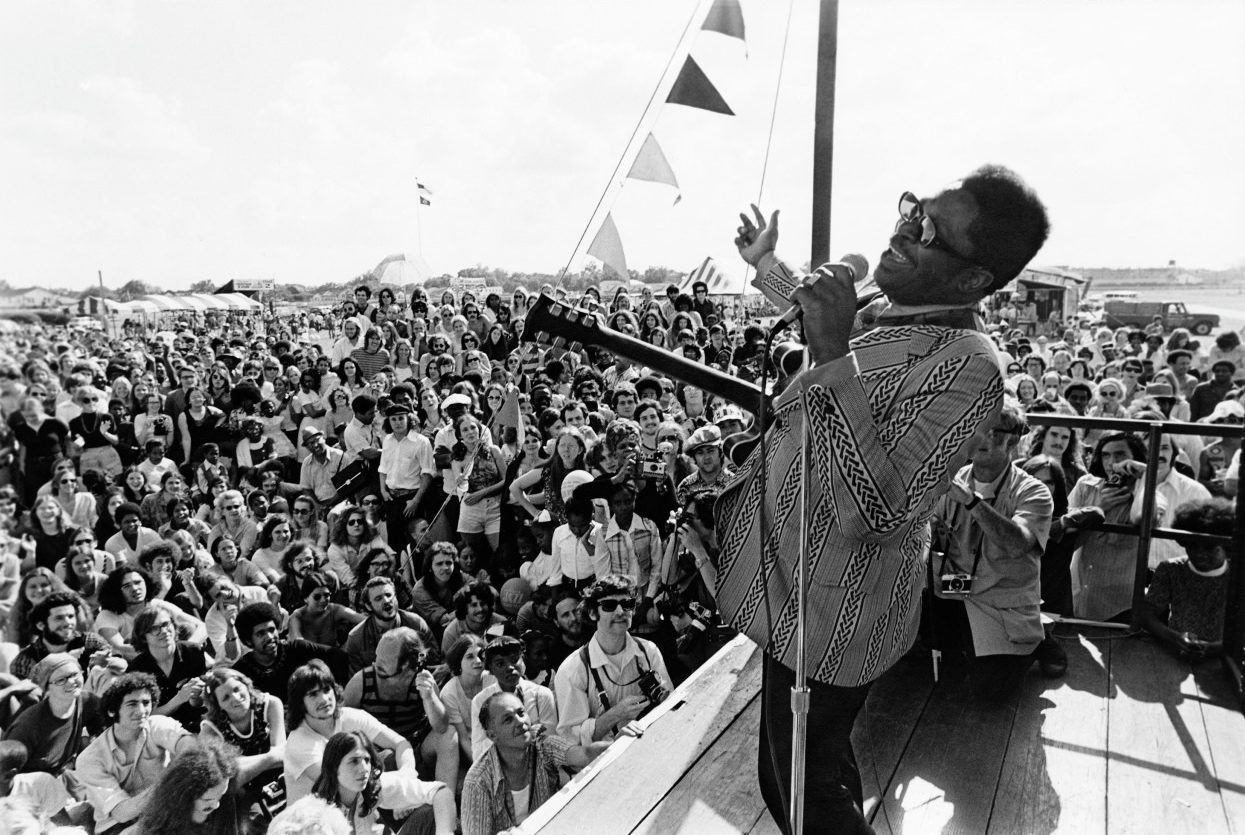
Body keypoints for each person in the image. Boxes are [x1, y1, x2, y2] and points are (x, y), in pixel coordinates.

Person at [721, 166, 1048, 831]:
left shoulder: (969, 364)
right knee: (812, 769)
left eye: (928, 230)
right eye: (911, 209)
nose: (903, 228)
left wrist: (834, 350)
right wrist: (767, 267)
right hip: (796, 585)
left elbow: (876, 511)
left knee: (802, 799)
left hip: (836, 608)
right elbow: (822, 311)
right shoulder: (895, 298)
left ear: (970, 280)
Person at [926, 402, 1060, 701]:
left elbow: (1017, 545)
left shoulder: (1033, 491)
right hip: (954, 592)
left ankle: (1039, 638)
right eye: (973, 428)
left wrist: (973, 502)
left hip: (1000, 603)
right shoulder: (949, 477)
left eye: (990, 431)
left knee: (991, 695)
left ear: (1013, 439)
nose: (979, 437)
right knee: (921, 676)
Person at [460, 691, 608, 835]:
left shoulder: (544, 746)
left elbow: (585, 754)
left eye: (521, 713)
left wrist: (621, 741)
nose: (519, 722)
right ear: (492, 735)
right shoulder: (478, 781)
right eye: (508, 720)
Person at [553, 574, 671, 745]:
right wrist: (617, 714)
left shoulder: (648, 651)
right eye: (609, 605)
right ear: (593, 613)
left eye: (627, 604)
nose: (620, 612)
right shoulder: (573, 670)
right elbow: (572, 740)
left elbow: (669, 703)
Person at [74, 672, 198, 834]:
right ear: (112, 711)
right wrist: (171, 783)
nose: (141, 711)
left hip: (165, 810)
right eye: (132, 704)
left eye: (146, 703)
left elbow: (190, 747)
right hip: (117, 827)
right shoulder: (90, 759)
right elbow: (123, 812)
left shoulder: (156, 724)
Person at [342, 627, 459, 792]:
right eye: (377, 656)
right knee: (388, 755)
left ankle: (445, 798)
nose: (376, 664)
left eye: (384, 660)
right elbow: (342, 725)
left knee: (449, 735)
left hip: (416, 746)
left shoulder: (422, 681)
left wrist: (429, 697)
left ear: (405, 664)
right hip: (378, 754)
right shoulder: (362, 682)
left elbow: (441, 727)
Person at [283, 660, 417, 804]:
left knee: (388, 759)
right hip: (315, 821)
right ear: (300, 703)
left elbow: (401, 743)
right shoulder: (299, 741)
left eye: (327, 689)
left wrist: (406, 775)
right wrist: (400, 789)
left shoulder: (350, 717)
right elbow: (341, 785)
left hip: (355, 808)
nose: (324, 699)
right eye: (313, 694)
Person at [1137, 498, 1233, 659]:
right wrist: (1175, 638)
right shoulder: (1170, 570)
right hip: (1175, 655)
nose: (1200, 553)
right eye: (1192, 545)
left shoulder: (1238, 577)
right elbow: (1147, 614)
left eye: (1209, 547)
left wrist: (1213, 648)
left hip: (1224, 659)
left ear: (1226, 547)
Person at [310, 731, 456, 835]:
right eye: (354, 761)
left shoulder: (373, 786)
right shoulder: (315, 812)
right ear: (334, 767)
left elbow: (441, 791)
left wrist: (445, 832)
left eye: (366, 760)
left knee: (430, 814)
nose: (363, 769)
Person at [3, 653, 108, 778]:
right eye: (60, 680)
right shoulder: (28, 726)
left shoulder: (87, 701)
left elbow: (105, 729)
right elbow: (6, 775)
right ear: (47, 688)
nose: (71, 682)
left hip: (64, 777)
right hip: (29, 786)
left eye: (74, 674)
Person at [468, 636, 557, 762]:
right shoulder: (481, 701)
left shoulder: (542, 695)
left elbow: (550, 742)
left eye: (514, 660)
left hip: (539, 763)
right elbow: (479, 750)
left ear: (523, 660)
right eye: (500, 664)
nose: (510, 667)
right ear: (491, 670)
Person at [232, 602, 349, 697]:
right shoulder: (241, 671)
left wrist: (332, 690)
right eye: (261, 634)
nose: (270, 637)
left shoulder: (297, 649)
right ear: (248, 640)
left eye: (272, 630)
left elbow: (338, 657)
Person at [133, 738, 243, 835]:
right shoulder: (160, 827)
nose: (216, 805)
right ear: (184, 797)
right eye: (207, 799)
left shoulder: (223, 802)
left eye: (220, 795)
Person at [343, 576, 437, 674]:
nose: (386, 601)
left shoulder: (416, 623)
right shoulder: (356, 638)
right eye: (378, 599)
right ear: (368, 606)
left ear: (396, 597)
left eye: (388, 595)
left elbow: (433, 659)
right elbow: (358, 679)